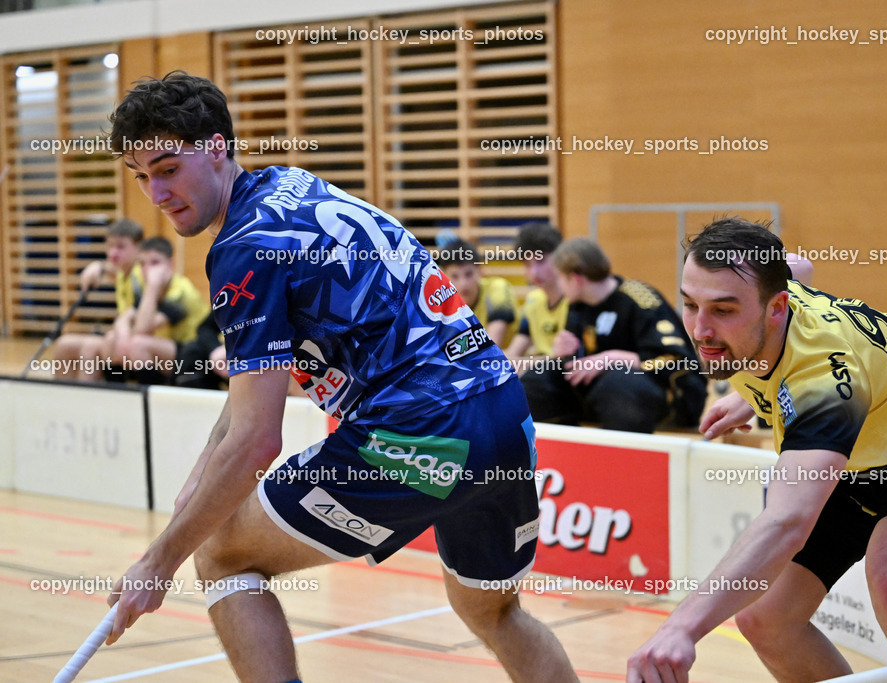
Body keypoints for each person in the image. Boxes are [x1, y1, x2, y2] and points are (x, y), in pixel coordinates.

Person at [103, 71, 577, 683]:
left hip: (417, 432)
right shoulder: (292, 186)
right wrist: (201, 475)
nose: (156, 193)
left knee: (220, 557)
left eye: (168, 167)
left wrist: (158, 561)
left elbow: (257, 440)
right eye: (141, 177)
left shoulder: (244, 249)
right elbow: (251, 388)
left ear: (217, 146)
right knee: (492, 610)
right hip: (504, 415)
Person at [627, 217, 887, 682]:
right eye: (689, 304)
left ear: (777, 308)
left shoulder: (824, 380)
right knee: (764, 621)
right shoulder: (769, 289)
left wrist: (681, 627)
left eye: (723, 310)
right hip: (858, 441)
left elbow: (787, 522)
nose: (700, 330)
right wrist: (749, 395)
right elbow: (799, 266)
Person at [520, 237, 706, 433]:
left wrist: (610, 358)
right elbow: (579, 366)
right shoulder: (577, 306)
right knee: (539, 377)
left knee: (618, 382)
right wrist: (563, 354)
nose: (559, 285)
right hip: (602, 396)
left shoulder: (641, 299)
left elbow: (674, 360)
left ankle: (624, 457)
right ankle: (556, 445)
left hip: (666, 395)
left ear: (575, 279)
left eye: (560, 278)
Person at [50, 218, 143, 381]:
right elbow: (111, 268)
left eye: (121, 247)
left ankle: (87, 401)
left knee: (90, 348)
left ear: (139, 248)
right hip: (120, 336)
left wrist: (99, 266)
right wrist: (98, 266)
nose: (113, 253)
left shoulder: (140, 275)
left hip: (138, 340)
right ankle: (65, 399)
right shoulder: (123, 272)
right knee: (65, 344)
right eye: (110, 246)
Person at [112, 236, 209, 383]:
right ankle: (115, 397)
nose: (147, 270)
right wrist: (123, 334)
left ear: (171, 265)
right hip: (173, 351)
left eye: (155, 263)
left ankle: (152, 401)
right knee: (112, 339)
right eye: (143, 264)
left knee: (138, 344)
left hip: (197, 354)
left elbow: (142, 329)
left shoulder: (181, 292)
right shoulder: (150, 289)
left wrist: (152, 286)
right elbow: (125, 318)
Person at [435, 238, 521, 348]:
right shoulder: (441, 302)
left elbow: (491, 349)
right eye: (455, 276)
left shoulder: (497, 288)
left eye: (468, 274)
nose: (463, 284)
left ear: (480, 270)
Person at [504, 222, 568, 362]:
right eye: (527, 265)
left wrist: (524, 364)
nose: (534, 272)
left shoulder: (574, 301)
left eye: (541, 261)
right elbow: (514, 351)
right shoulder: (533, 300)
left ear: (560, 257)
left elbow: (565, 360)